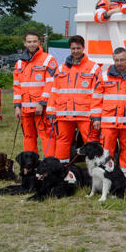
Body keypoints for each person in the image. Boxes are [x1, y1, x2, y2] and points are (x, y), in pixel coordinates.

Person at [47, 35, 101, 163]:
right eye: (73, 48)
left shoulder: (93, 68)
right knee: (62, 142)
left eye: (78, 48)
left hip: (85, 115)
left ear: (83, 48)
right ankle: (62, 171)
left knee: (92, 144)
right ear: (69, 49)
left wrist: (96, 115)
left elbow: (98, 94)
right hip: (64, 114)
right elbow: (54, 91)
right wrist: (51, 112)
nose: (75, 51)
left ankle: (97, 169)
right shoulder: (61, 69)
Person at [92, 47, 126, 179]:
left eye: (122, 60)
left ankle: (124, 178)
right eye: (116, 60)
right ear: (113, 60)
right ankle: (106, 176)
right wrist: (96, 118)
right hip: (108, 122)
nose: (119, 63)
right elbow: (97, 98)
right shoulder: (104, 76)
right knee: (106, 151)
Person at [13, 30, 58, 155]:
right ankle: (30, 166)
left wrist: (42, 103)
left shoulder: (48, 60)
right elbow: (17, 87)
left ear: (39, 42)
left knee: (47, 136)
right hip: (26, 110)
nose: (32, 44)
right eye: (29, 42)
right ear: (25, 43)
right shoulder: (20, 63)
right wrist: (17, 107)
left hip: (41, 109)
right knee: (28, 137)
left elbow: (51, 84)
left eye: (34, 41)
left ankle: (49, 165)